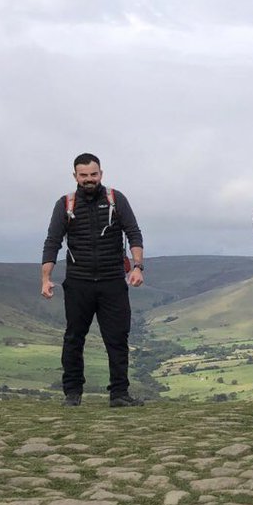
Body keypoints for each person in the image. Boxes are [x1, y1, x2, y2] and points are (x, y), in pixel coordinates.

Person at [41, 153, 144, 407]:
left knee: (117, 338)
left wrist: (138, 267)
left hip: (112, 281)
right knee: (74, 337)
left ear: (101, 173)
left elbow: (133, 233)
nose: (89, 179)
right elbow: (53, 241)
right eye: (84, 175)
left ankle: (119, 394)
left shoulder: (116, 199)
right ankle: (72, 394)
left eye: (93, 174)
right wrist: (46, 278)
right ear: (75, 176)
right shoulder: (65, 204)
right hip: (78, 282)